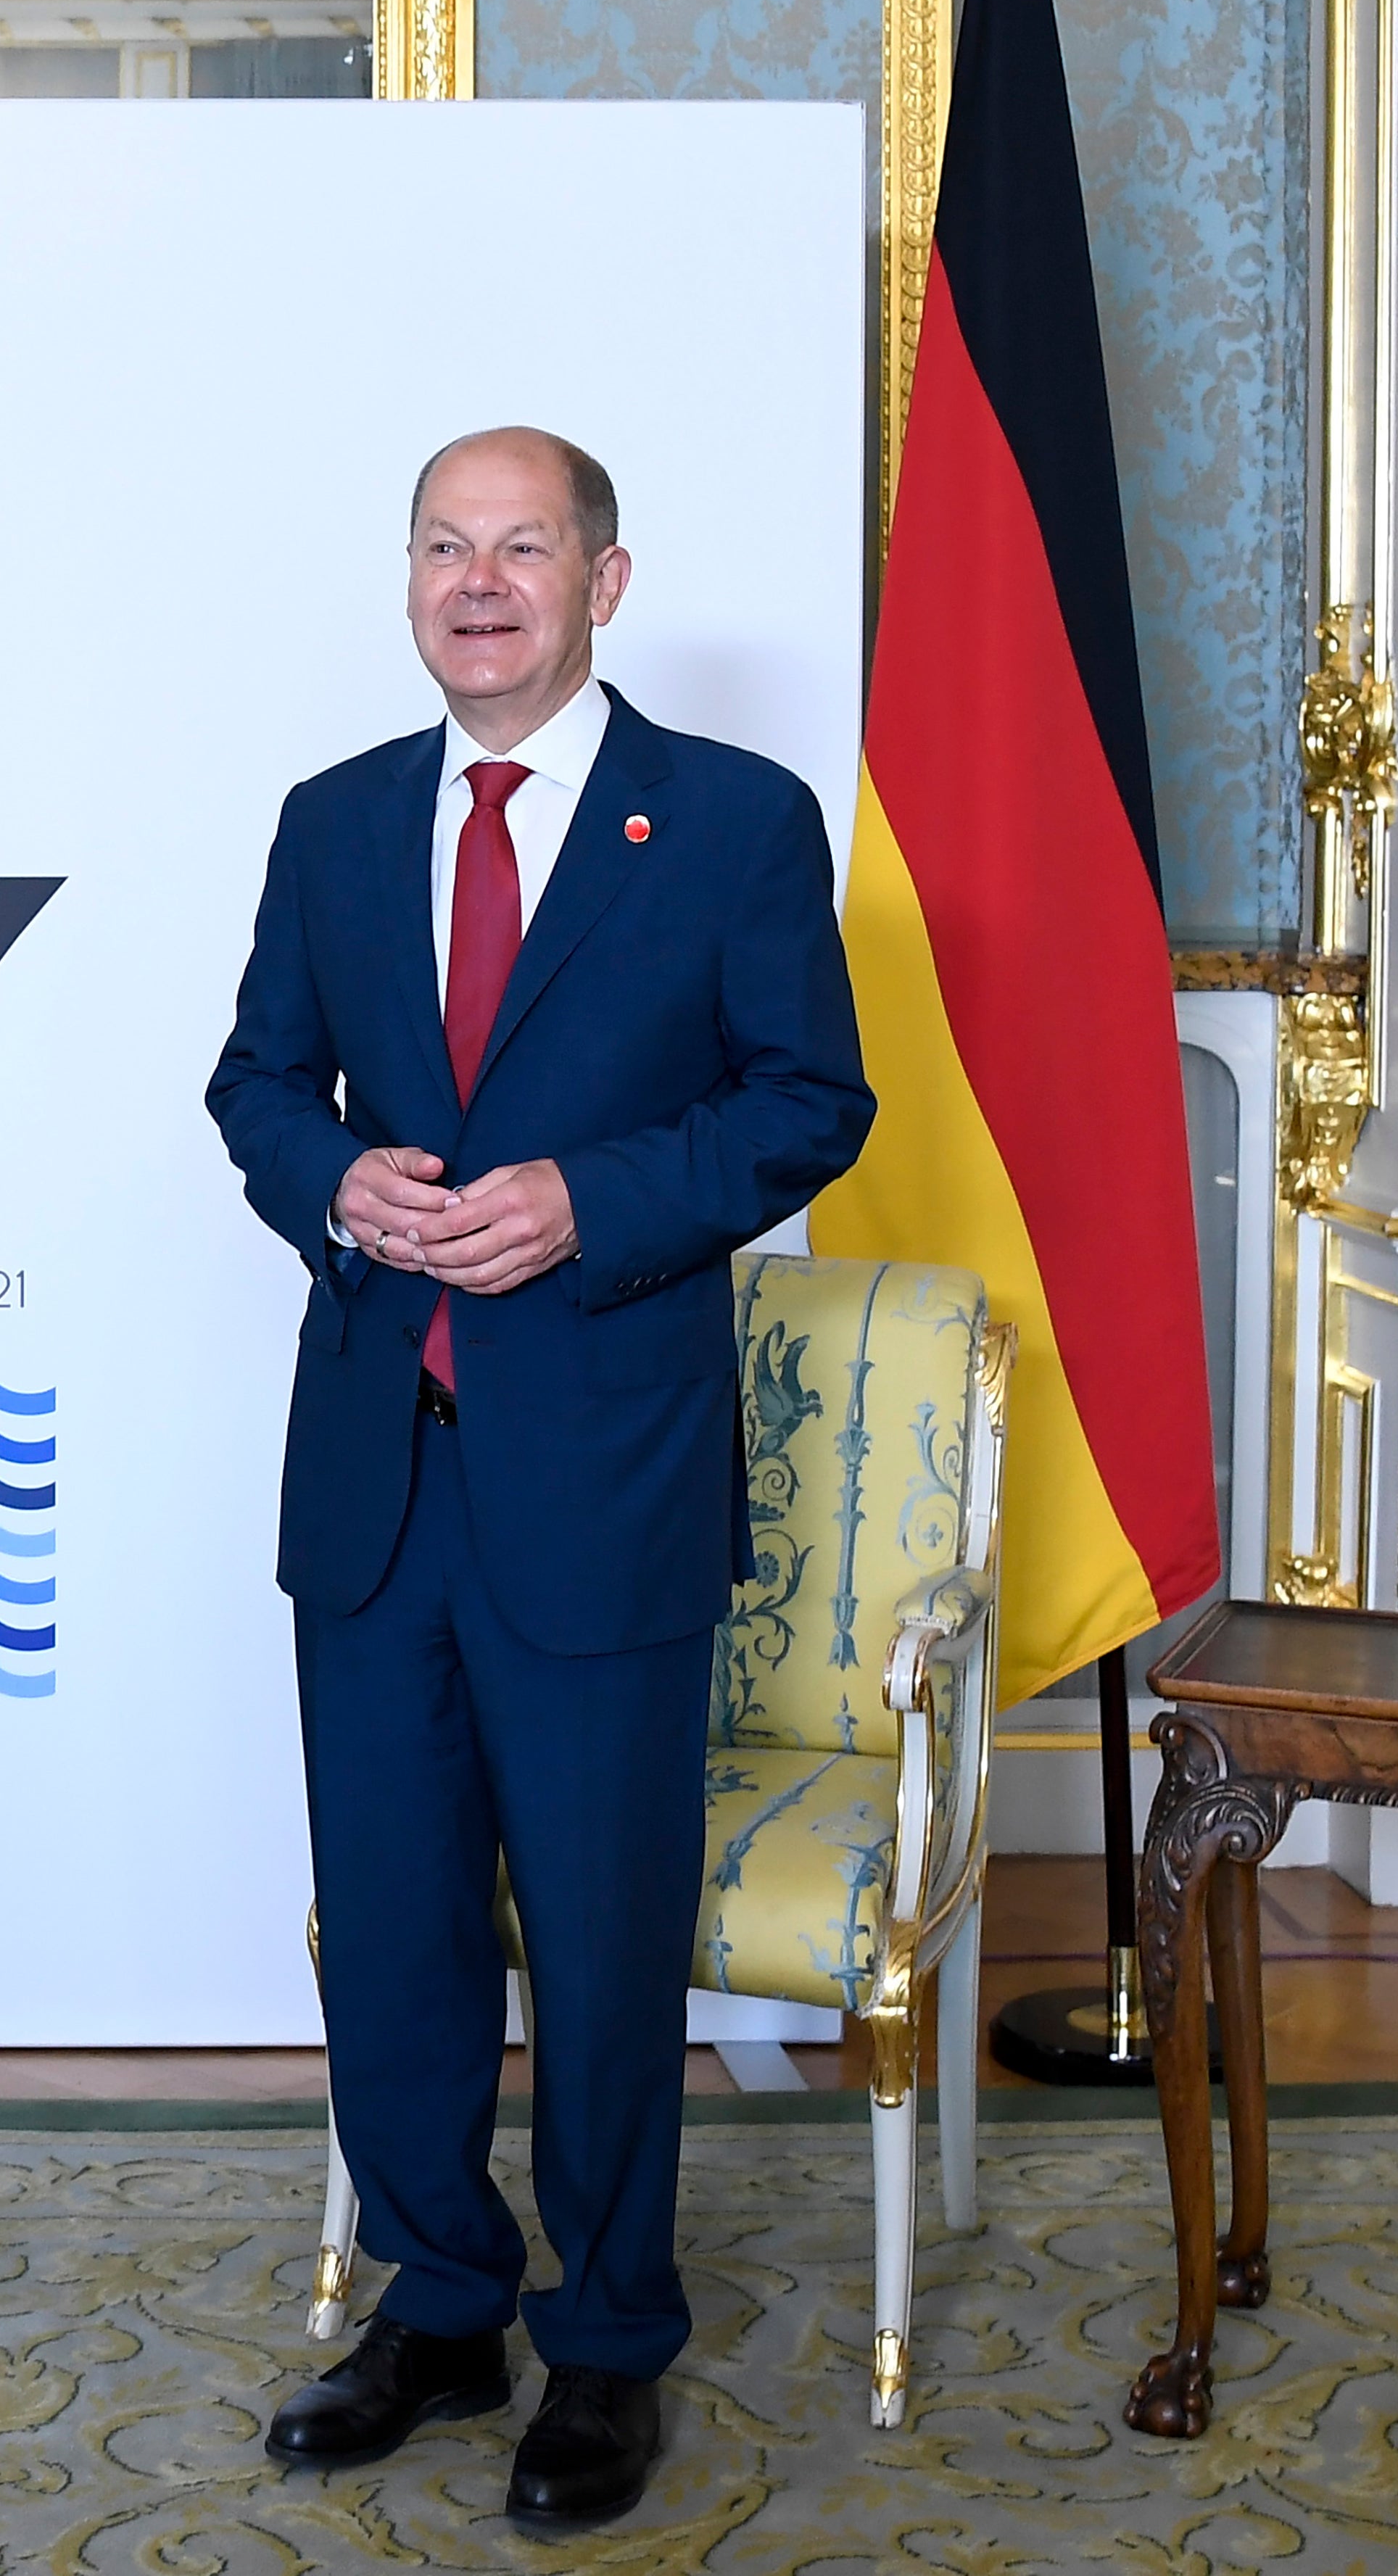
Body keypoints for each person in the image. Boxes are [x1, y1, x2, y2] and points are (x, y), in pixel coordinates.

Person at [205, 428, 871, 2529]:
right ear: (408, 582)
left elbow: (806, 1104)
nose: (476, 583)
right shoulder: (333, 822)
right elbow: (253, 1084)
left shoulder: (739, 825)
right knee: (397, 1929)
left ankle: (605, 2344)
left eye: (521, 548)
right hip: (375, 1478)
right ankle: (438, 2300)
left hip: (602, 1477)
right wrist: (338, 1180)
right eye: (441, 548)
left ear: (608, 580)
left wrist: (594, 1199)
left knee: (595, 1940)